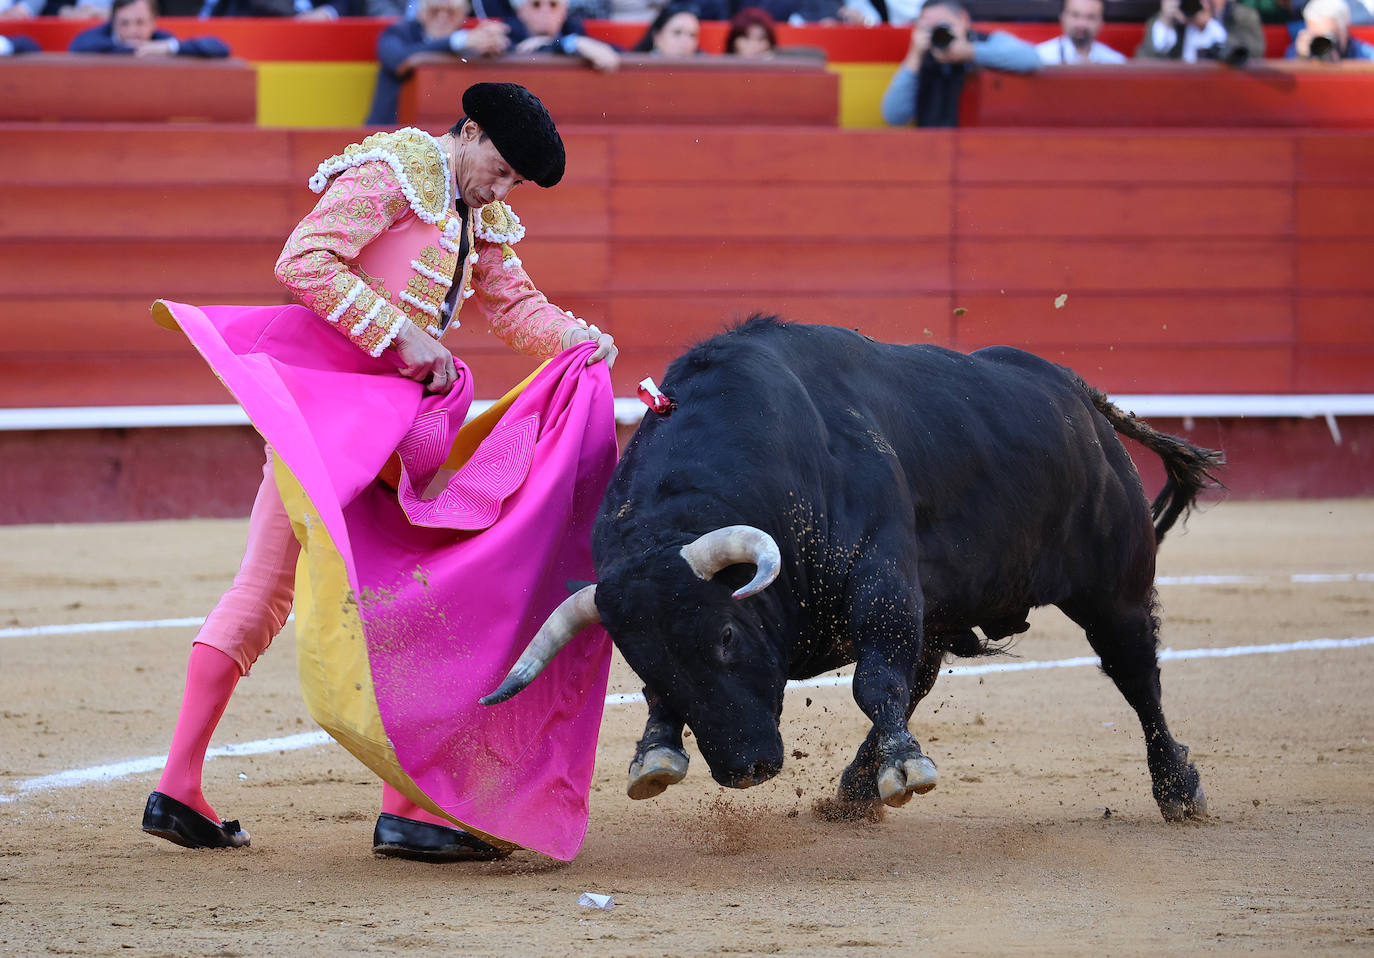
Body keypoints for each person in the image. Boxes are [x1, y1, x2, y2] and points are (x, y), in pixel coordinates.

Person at [142, 82, 620, 864]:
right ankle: (409, 812)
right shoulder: (398, 170)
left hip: (387, 430)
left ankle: (178, 786)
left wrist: (583, 344)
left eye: (512, 184)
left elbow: (516, 309)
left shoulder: (477, 214)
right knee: (412, 596)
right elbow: (304, 260)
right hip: (341, 415)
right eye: (497, 169)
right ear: (467, 133)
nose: (499, 189)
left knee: (269, 589)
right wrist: (402, 335)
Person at [880, 0, 1040, 128]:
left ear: (963, 20)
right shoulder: (921, 57)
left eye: (944, 27)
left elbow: (1031, 59)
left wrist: (972, 53)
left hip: (980, 146)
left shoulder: (984, 43)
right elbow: (894, 116)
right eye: (930, 28)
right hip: (932, 149)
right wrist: (914, 57)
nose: (939, 34)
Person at [364, 0, 511, 126]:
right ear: (421, 12)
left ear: (463, 14)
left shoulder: (474, 42)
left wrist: (496, 42)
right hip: (387, 137)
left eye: (450, 11)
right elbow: (399, 60)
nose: (442, 16)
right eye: (434, 10)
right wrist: (456, 41)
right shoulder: (397, 33)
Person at [69, 0, 229, 57]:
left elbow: (219, 47)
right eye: (125, 23)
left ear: (153, 22)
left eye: (140, 22)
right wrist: (135, 49)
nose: (133, 31)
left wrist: (169, 48)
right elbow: (77, 45)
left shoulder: (161, 40)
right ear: (113, 22)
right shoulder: (96, 38)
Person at [502, 0, 620, 72]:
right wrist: (571, 43)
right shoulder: (506, 33)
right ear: (520, 11)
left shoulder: (574, 31)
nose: (545, 11)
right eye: (536, 4)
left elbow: (618, 52)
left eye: (553, 4)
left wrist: (568, 42)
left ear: (564, 11)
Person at [1134, 0, 1264, 63]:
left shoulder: (1243, 16)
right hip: (1177, 94)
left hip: (1229, 94)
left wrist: (1210, 26)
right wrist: (1165, 22)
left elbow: (1254, 54)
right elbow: (1143, 61)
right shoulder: (1166, 19)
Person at [1035, 0, 1127, 64]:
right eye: (1075, 15)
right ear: (1062, 17)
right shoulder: (1040, 57)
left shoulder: (1115, 62)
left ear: (1101, 22)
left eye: (1090, 17)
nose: (1082, 24)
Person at [1286, 0, 1374, 58]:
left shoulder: (1366, 56)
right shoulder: (1299, 50)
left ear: (1345, 30)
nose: (1322, 44)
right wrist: (1300, 59)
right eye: (1317, 38)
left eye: (1329, 36)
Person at [631, 0, 700, 56]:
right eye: (677, 32)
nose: (685, 41)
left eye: (692, 35)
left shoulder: (704, 68)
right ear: (657, 36)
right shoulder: (637, 67)